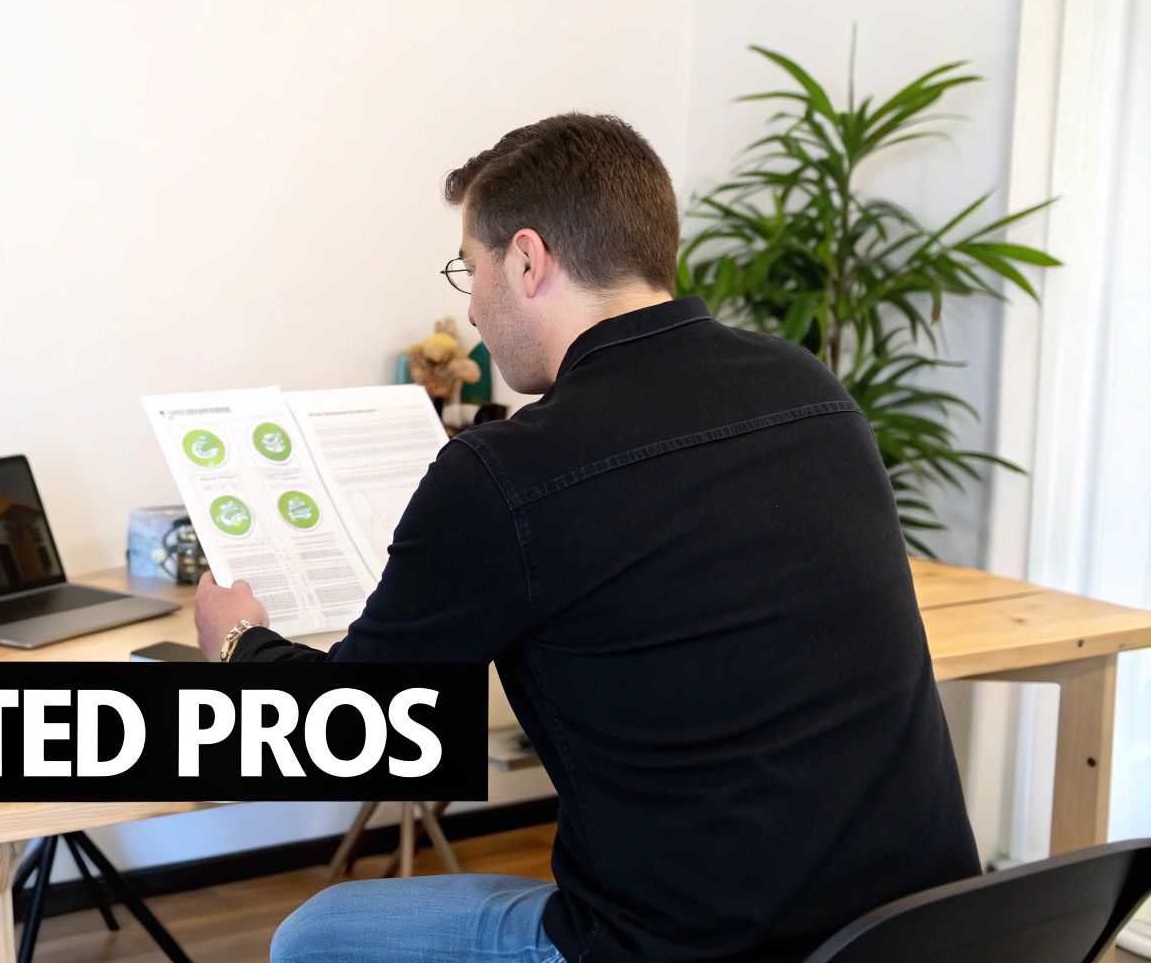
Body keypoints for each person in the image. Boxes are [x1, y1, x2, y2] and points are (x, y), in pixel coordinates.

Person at [193, 113, 980, 963]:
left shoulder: (508, 470)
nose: (473, 309)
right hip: (920, 933)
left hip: (685, 951)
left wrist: (239, 640)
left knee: (319, 935)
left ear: (528, 260)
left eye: (472, 269)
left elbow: (352, 742)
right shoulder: (810, 390)